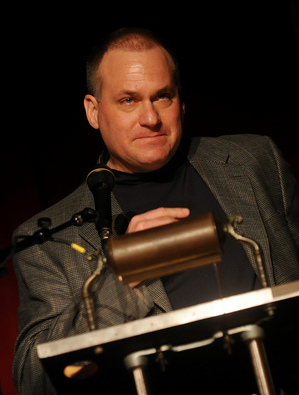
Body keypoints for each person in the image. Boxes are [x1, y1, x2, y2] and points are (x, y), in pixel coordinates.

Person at [12, 27, 299, 394]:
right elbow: (34, 381)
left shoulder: (255, 162)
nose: (150, 118)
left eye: (162, 96)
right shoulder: (50, 237)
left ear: (180, 101)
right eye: (129, 100)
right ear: (94, 111)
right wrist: (123, 279)